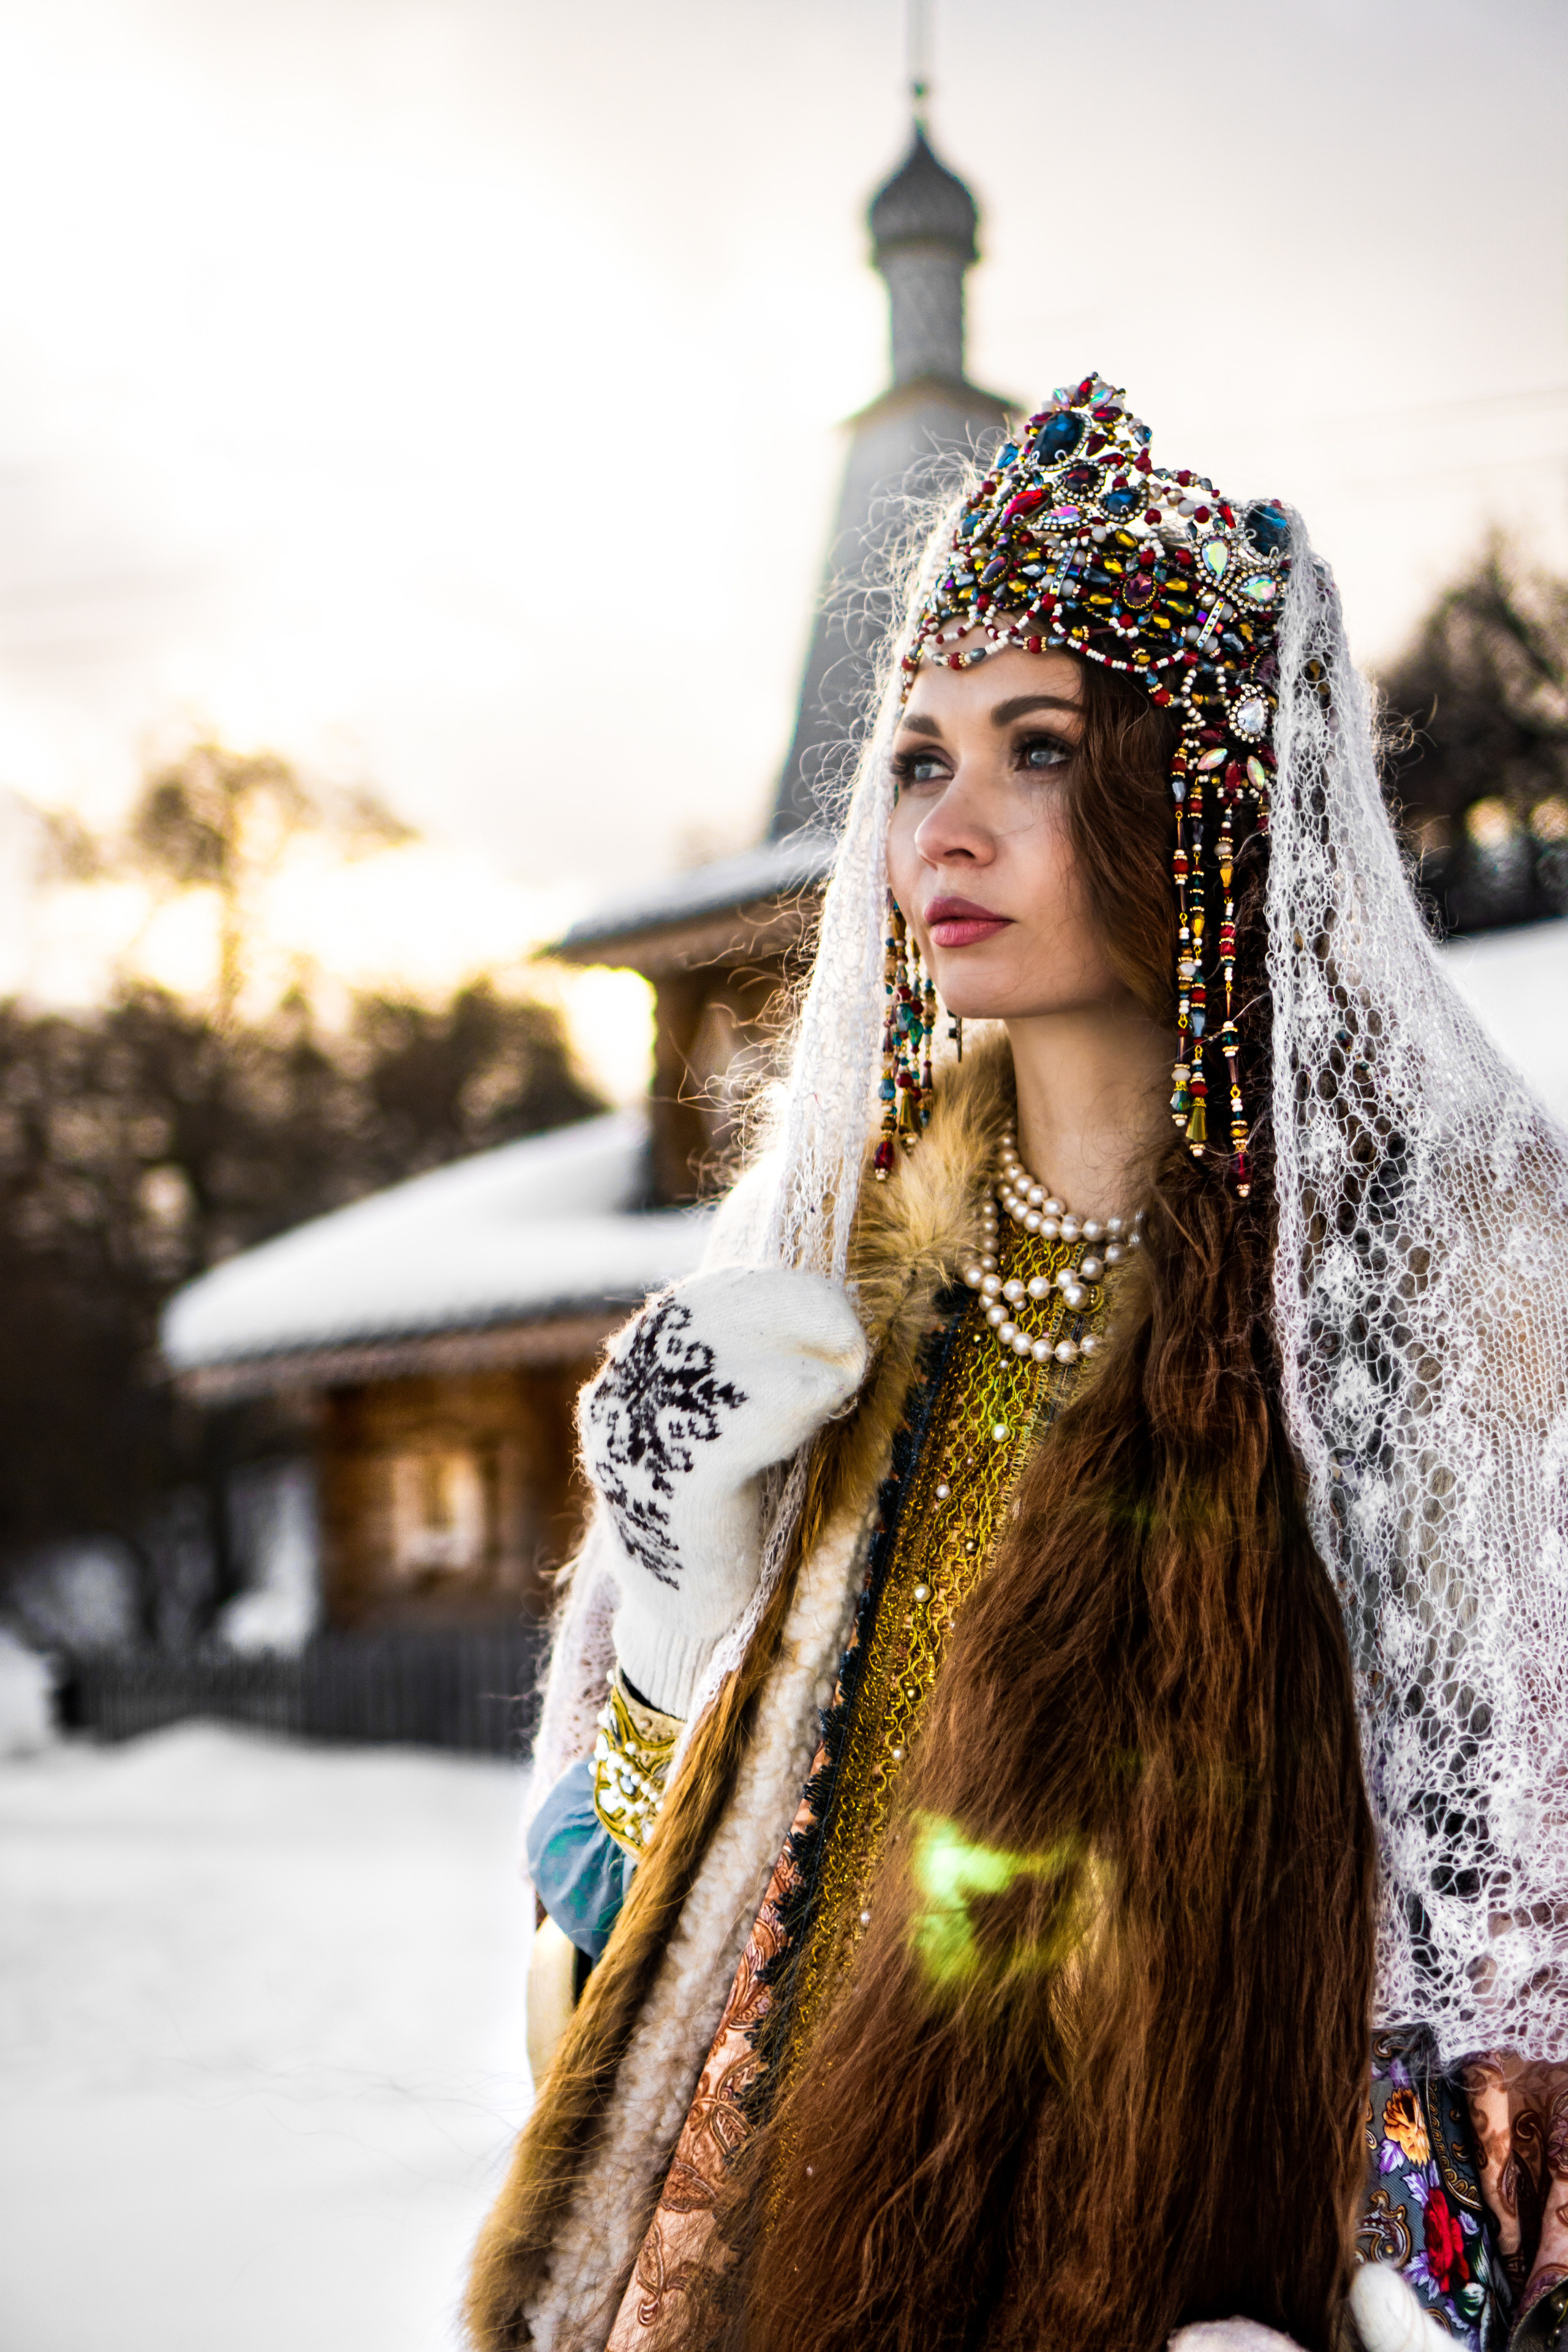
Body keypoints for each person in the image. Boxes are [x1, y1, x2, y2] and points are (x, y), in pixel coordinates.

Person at [466, 377, 1568, 2352]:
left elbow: (1516, 1974)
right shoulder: (834, 1279)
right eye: (912, 758)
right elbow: (589, 2030)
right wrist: (663, 1625)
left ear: (1196, 788)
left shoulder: (1430, 1298)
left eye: (1038, 748)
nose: (939, 829)